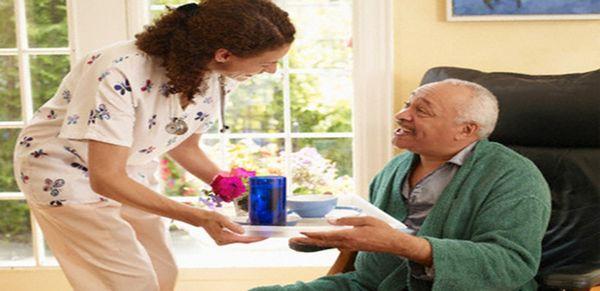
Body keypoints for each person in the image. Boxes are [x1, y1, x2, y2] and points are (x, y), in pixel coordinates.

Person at [13, 1, 295, 290]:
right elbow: (106, 178)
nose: (272, 71)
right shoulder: (119, 70)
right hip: (63, 170)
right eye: (266, 63)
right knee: (130, 282)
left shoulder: (219, 75)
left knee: (162, 273)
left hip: (129, 169)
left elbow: (183, 144)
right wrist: (199, 217)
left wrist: (235, 188)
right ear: (223, 53)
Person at [252, 79, 551, 290]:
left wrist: (403, 245)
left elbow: (512, 264)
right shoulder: (396, 168)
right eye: (408, 104)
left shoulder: (513, 178)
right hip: (369, 284)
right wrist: (332, 238)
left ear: (466, 130)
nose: (401, 115)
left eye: (422, 111)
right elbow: (375, 239)